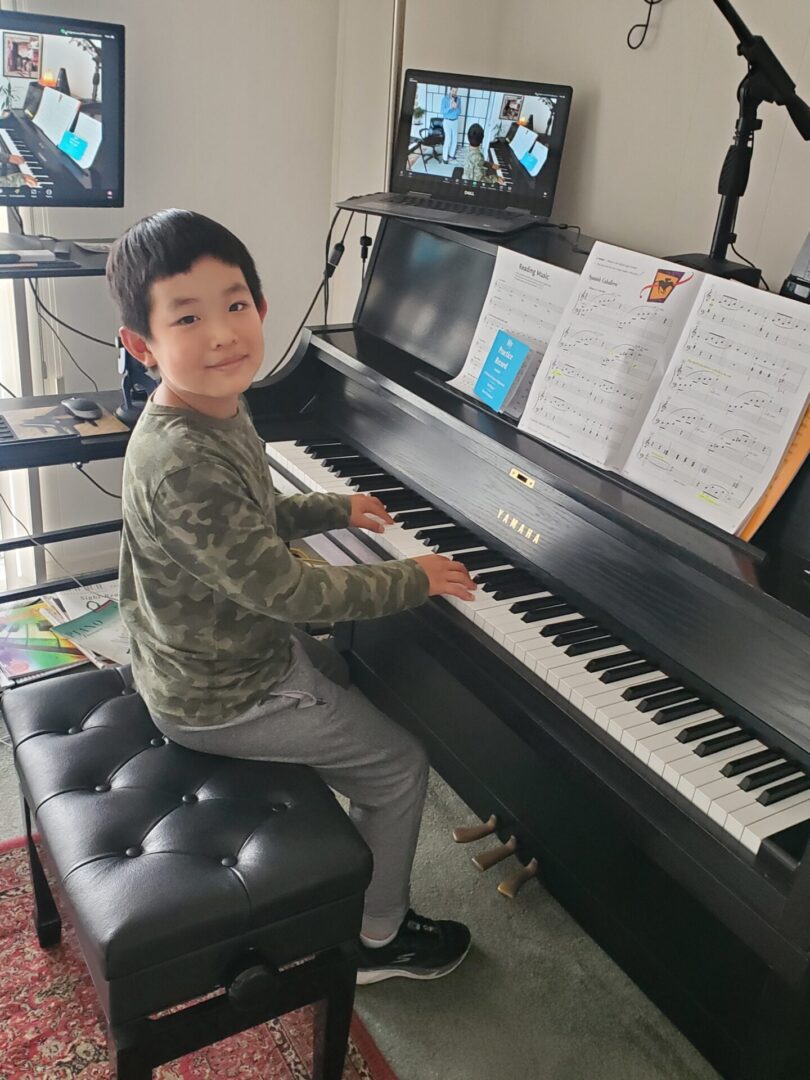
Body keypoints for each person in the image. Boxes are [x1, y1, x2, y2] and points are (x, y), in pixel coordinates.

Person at [106, 209, 477, 984]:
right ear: (141, 345)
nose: (222, 335)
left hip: (209, 653)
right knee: (403, 765)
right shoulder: (182, 462)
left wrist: (332, 507)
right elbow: (288, 589)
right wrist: (412, 578)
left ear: (262, 307)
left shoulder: (210, 408)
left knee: (340, 678)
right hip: (217, 692)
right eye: (188, 318)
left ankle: (341, 843)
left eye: (236, 305)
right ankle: (379, 940)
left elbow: (253, 517)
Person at [439, 86, 460, 164]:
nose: (454, 93)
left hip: (455, 121)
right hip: (447, 121)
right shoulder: (444, 99)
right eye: (453, 91)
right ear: (450, 90)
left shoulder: (459, 99)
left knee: (455, 139)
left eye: (456, 91)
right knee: (448, 139)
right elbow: (442, 111)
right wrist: (450, 107)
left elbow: (459, 112)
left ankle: (451, 155)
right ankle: (445, 158)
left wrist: (456, 107)